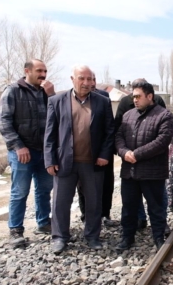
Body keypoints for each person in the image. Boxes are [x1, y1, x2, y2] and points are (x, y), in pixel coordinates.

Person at [44, 65, 114, 254]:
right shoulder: (56, 101)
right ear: (72, 79)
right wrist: (50, 160)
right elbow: (50, 134)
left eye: (90, 79)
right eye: (82, 78)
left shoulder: (102, 102)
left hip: (92, 163)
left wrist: (104, 155)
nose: (86, 83)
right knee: (60, 202)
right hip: (64, 162)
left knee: (93, 202)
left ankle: (92, 236)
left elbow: (109, 132)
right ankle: (60, 237)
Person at [0, 59, 55, 247]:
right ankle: (15, 230)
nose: (43, 74)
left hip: (44, 152)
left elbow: (58, 119)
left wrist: (52, 96)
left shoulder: (46, 93)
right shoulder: (13, 91)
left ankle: (44, 222)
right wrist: (18, 146)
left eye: (45, 71)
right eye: (39, 70)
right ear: (27, 71)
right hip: (22, 151)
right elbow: (3, 121)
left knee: (45, 189)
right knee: (20, 192)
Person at [115, 81, 173, 251]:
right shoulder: (128, 116)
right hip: (130, 172)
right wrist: (124, 152)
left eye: (138, 96)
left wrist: (136, 154)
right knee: (129, 208)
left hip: (152, 172)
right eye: (133, 97)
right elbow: (118, 136)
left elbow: (162, 141)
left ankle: (158, 238)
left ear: (150, 96)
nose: (135, 100)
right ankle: (127, 237)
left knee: (156, 208)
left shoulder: (164, 115)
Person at [77, 73, 116, 226]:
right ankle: (85, 214)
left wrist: (106, 151)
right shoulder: (73, 98)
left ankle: (105, 213)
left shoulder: (103, 98)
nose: (91, 83)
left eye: (93, 79)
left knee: (106, 183)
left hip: (103, 150)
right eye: (87, 79)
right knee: (82, 185)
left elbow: (109, 126)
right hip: (83, 152)